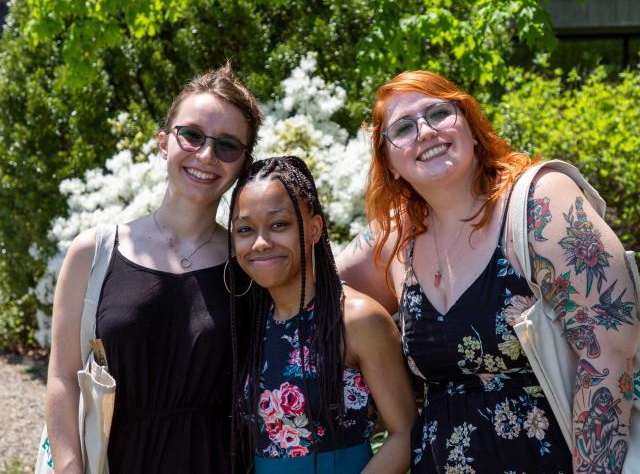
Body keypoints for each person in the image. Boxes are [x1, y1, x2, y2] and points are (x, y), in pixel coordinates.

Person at [336, 70, 640, 473]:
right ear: (390, 162)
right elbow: (307, 285)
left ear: (472, 128)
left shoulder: (539, 202)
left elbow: (610, 354)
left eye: (439, 112)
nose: (425, 131)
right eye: (404, 128)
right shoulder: (397, 237)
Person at [45, 64, 262, 473]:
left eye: (228, 146)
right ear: (164, 142)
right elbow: (61, 377)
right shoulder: (94, 253)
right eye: (192, 135)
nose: (207, 155)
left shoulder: (250, 263)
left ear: (243, 163)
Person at [227, 156, 415, 474]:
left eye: (279, 225)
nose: (260, 243)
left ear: (314, 229)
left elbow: (406, 434)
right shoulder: (252, 323)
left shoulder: (357, 319)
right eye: (245, 229)